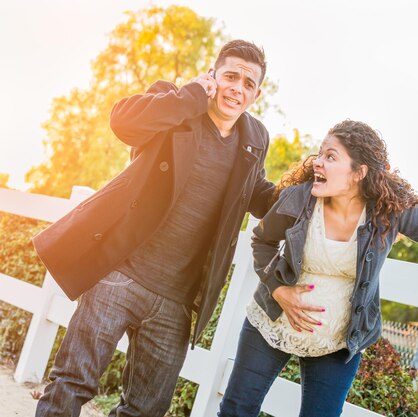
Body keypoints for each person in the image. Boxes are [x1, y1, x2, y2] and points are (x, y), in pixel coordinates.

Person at [218, 119, 418, 417]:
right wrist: (280, 290)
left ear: (358, 173)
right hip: (272, 322)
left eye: (331, 157)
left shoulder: (390, 212)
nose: (317, 162)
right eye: (320, 153)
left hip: (338, 341)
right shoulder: (298, 198)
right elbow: (261, 241)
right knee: (236, 410)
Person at [33, 40, 275, 417]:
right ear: (213, 75)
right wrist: (191, 96)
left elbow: (257, 194)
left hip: (176, 301)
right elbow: (123, 122)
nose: (237, 88)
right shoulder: (176, 101)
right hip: (120, 274)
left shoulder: (255, 138)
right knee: (71, 383)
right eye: (230, 76)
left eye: (248, 83)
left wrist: (316, 190)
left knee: (146, 410)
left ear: (256, 93)